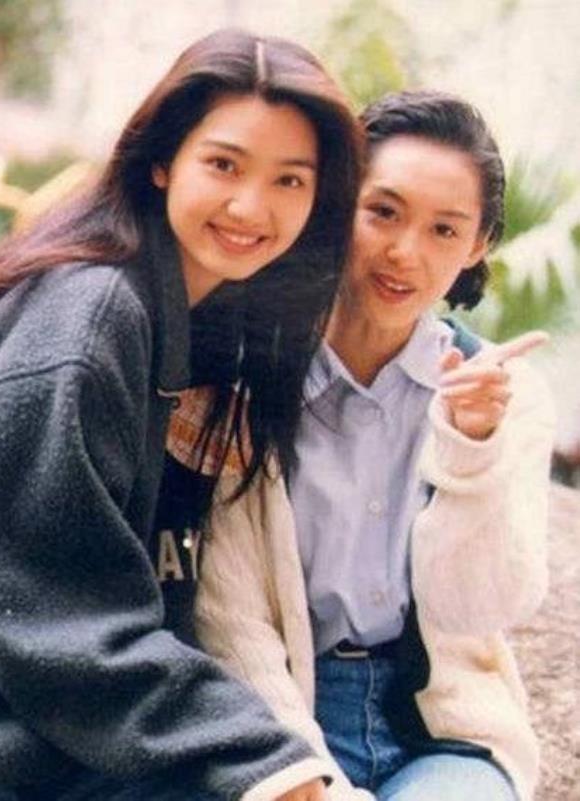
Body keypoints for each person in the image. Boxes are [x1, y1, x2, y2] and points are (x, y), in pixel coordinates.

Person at [0, 28, 364, 801]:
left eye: (289, 180)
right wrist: (260, 758)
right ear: (163, 160)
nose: (252, 205)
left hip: (59, 712)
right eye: (224, 164)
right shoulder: (91, 318)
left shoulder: (199, 318)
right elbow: (54, 618)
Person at [189, 90, 555, 801]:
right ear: (337, 203)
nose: (404, 252)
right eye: (383, 211)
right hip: (280, 708)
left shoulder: (506, 394)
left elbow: (483, 607)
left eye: (444, 229)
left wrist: (472, 446)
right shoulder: (243, 383)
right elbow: (230, 620)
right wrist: (302, 772)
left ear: (478, 244)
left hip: (443, 730)